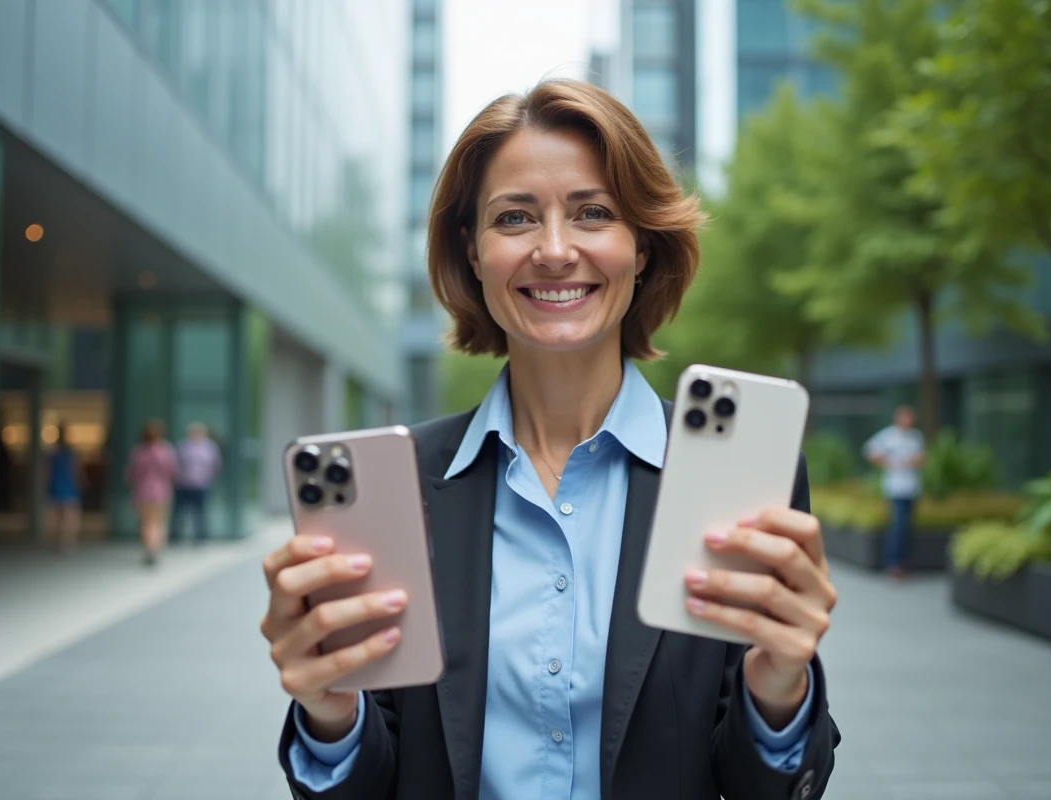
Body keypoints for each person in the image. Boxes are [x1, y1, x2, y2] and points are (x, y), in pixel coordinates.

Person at [261, 80, 840, 800]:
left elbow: (763, 787)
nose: (556, 250)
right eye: (515, 218)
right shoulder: (398, 484)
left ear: (643, 249)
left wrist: (778, 689)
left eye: (594, 213)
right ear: (472, 253)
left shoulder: (737, 478)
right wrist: (329, 710)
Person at [863, 405, 927, 579]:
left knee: (907, 527)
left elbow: (922, 458)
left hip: (911, 488)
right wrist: (887, 463)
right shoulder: (889, 436)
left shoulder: (916, 437)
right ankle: (893, 564)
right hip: (895, 488)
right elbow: (869, 450)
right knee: (898, 526)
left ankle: (904, 563)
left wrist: (912, 461)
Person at [125, 419, 178, 566]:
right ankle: (156, 548)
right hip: (161, 491)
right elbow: (173, 472)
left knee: (146, 522)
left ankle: (149, 547)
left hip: (142, 492)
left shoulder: (138, 452)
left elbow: (130, 474)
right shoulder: (166, 450)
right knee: (159, 522)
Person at [172, 422, 221, 544]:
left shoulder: (210, 447)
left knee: (201, 513)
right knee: (180, 512)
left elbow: (215, 465)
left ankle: (201, 537)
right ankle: (176, 536)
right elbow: (176, 464)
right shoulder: (183, 446)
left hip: (201, 484)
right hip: (184, 484)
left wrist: (209, 477)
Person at [45, 423, 83, 554]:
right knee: (70, 517)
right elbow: (75, 470)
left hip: (55, 486)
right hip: (69, 487)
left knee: (57, 516)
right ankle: (67, 542)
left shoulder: (53, 453)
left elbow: (47, 472)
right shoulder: (70, 453)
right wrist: (81, 482)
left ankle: (59, 541)